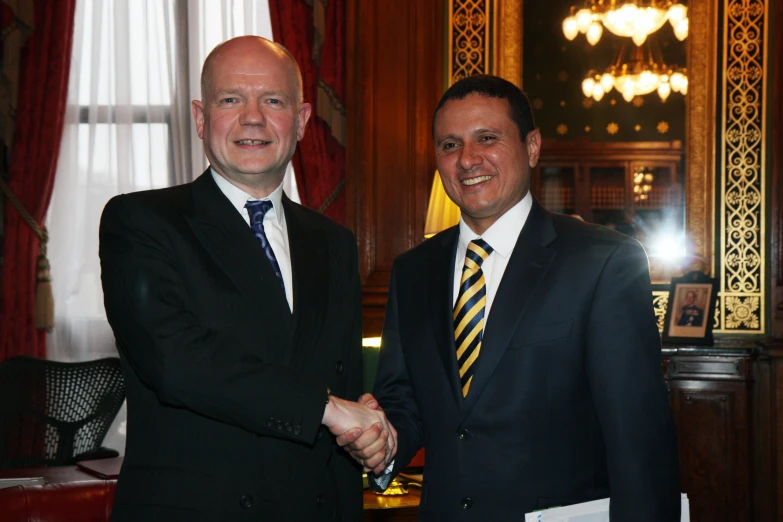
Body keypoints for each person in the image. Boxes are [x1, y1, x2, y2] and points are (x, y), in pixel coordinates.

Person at [341, 75, 680, 520]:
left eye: (487, 138)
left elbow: (638, 438)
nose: (467, 159)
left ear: (533, 146)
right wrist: (381, 440)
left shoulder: (603, 261)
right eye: (449, 145)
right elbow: (405, 404)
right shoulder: (412, 270)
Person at [99, 36, 394, 522]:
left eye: (273, 101)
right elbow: (177, 363)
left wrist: (371, 436)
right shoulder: (141, 221)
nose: (253, 118)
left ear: (300, 122)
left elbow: (341, 383)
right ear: (200, 117)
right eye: (231, 99)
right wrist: (328, 408)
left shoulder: (334, 242)